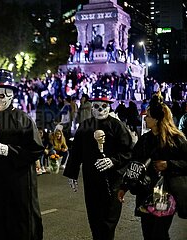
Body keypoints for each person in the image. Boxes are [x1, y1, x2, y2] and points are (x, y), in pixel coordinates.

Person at [0, 69, 44, 240]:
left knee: (18, 228)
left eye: (1, 96)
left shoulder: (23, 119)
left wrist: (8, 150)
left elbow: (36, 149)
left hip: (17, 186)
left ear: (11, 95)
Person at [63, 86, 133, 240]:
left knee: (108, 220)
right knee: (94, 219)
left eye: (104, 106)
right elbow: (76, 152)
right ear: (92, 106)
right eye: (96, 106)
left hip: (112, 181)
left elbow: (128, 152)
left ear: (109, 106)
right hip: (91, 180)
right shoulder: (85, 125)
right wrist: (72, 173)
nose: (100, 109)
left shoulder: (117, 126)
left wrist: (113, 161)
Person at [118, 93, 187, 240]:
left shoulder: (177, 139)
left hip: (166, 194)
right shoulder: (144, 139)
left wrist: (169, 165)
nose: (145, 118)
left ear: (156, 119)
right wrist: (124, 187)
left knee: (159, 235)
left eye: (148, 115)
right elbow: (133, 165)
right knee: (148, 234)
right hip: (145, 193)